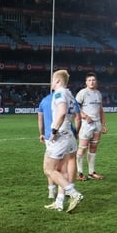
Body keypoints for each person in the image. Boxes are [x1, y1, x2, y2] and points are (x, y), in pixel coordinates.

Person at [42, 70, 84, 213]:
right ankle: (59, 202)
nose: (52, 83)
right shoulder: (69, 94)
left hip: (60, 135)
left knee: (49, 169)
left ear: (58, 81)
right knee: (62, 169)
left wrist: (53, 131)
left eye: (53, 80)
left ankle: (74, 194)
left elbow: (61, 112)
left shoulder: (59, 93)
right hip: (70, 136)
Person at [75, 72, 107, 181]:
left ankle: (91, 172)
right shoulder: (82, 93)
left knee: (93, 148)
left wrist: (104, 124)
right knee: (82, 148)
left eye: (93, 80)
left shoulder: (98, 93)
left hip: (97, 124)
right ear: (86, 82)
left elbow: (101, 110)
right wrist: (84, 116)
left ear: (96, 82)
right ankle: (79, 173)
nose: (92, 82)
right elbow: (75, 107)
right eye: (89, 80)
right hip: (86, 125)